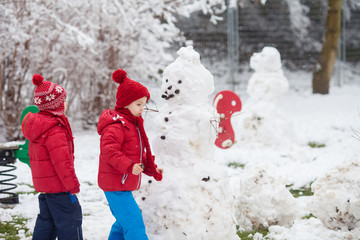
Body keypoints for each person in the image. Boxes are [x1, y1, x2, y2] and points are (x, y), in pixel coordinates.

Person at [97, 69, 163, 240]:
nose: (143, 108)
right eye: (138, 104)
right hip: (115, 185)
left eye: (144, 104)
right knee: (134, 223)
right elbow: (109, 150)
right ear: (126, 103)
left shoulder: (131, 123)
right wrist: (128, 166)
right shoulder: (117, 125)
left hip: (121, 184)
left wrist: (152, 167)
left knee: (122, 224)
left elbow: (137, 152)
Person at [22, 73, 83, 240]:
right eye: (64, 100)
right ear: (55, 105)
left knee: (46, 223)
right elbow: (62, 162)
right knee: (71, 221)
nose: (67, 103)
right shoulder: (54, 129)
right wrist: (72, 185)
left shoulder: (39, 125)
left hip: (46, 187)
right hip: (60, 187)